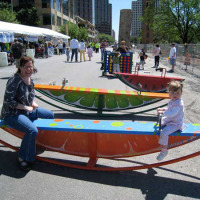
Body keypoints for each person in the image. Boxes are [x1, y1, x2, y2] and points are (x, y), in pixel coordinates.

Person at [0, 56, 54, 171]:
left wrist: (33, 103)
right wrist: (25, 107)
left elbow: (30, 96)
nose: (29, 69)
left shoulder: (30, 80)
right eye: (26, 67)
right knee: (31, 130)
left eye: (31, 66)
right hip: (11, 114)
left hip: (26, 110)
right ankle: (23, 157)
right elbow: (8, 101)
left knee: (50, 115)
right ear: (20, 67)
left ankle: (38, 143)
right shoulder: (14, 80)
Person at [156, 80, 185, 161]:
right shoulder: (172, 100)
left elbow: (172, 113)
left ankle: (164, 151)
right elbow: (169, 109)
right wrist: (163, 109)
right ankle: (160, 141)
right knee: (159, 124)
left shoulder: (179, 103)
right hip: (170, 119)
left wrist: (163, 112)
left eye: (178, 93)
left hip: (175, 123)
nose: (175, 95)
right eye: (173, 92)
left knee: (164, 132)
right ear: (169, 93)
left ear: (181, 93)